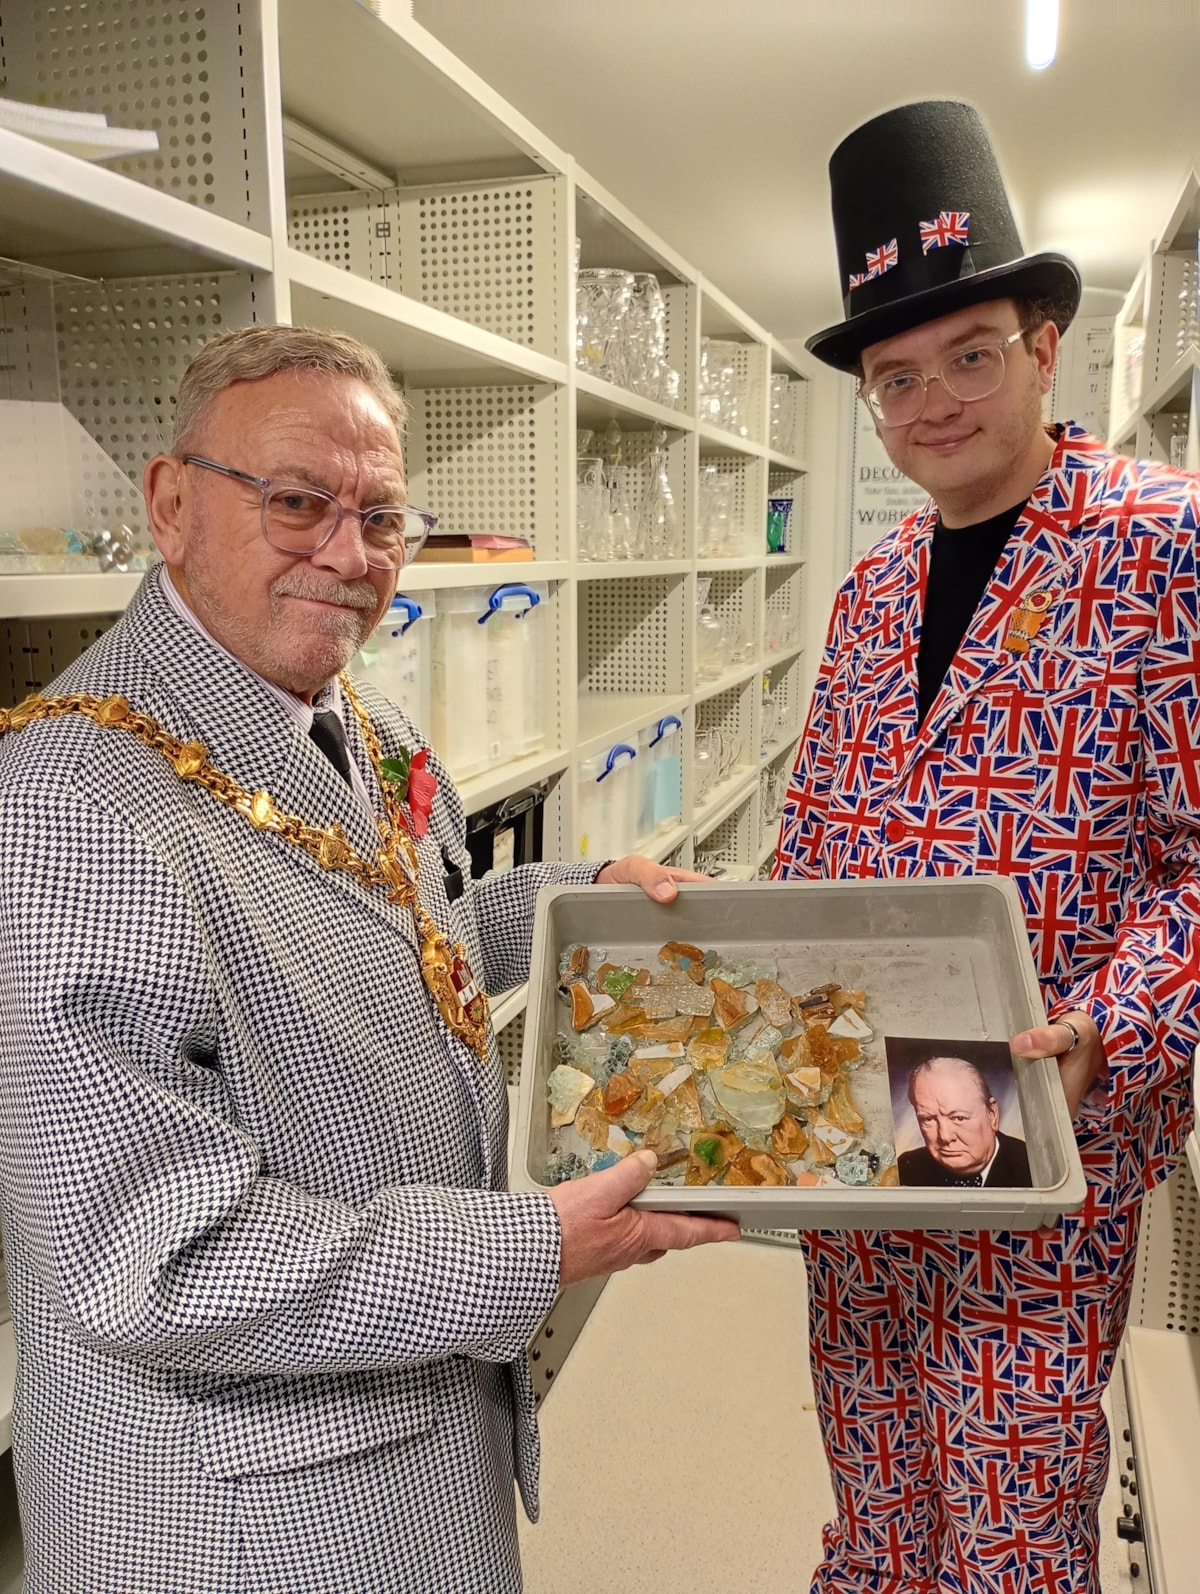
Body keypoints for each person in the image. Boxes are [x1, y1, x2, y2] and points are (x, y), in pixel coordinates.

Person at [0, 323, 739, 1594]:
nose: (349, 557)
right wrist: (529, 1250)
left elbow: (419, 925)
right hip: (252, 1509)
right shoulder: (70, 812)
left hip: (406, 1420)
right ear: (171, 503)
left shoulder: (355, 713)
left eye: (382, 516)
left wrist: (587, 898)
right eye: (297, 502)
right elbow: (156, 1254)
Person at [774, 99, 1200, 1592]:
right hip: (863, 1113)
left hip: (1043, 1108)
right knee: (875, 1475)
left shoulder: (1163, 543)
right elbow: (815, 829)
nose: (933, 400)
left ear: (1045, 342)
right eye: (897, 376)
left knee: (1012, 1508)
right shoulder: (874, 586)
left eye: (970, 354)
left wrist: (1111, 1026)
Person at [897, 1055, 1032, 1189]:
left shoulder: (1032, 1165)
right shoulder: (906, 1169)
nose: (945, 1136)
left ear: (992, 1114)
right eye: (928, 1119)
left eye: (959, 1118)